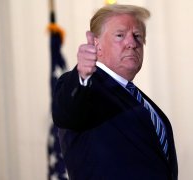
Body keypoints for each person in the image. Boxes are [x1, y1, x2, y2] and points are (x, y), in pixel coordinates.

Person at [52, 4, 178, 180]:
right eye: (120, 35)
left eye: (137, 36)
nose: (132, 43)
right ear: (97, 44)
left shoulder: (135, 96)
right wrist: (82, 75)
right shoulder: (87, 87)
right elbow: (66, 113)